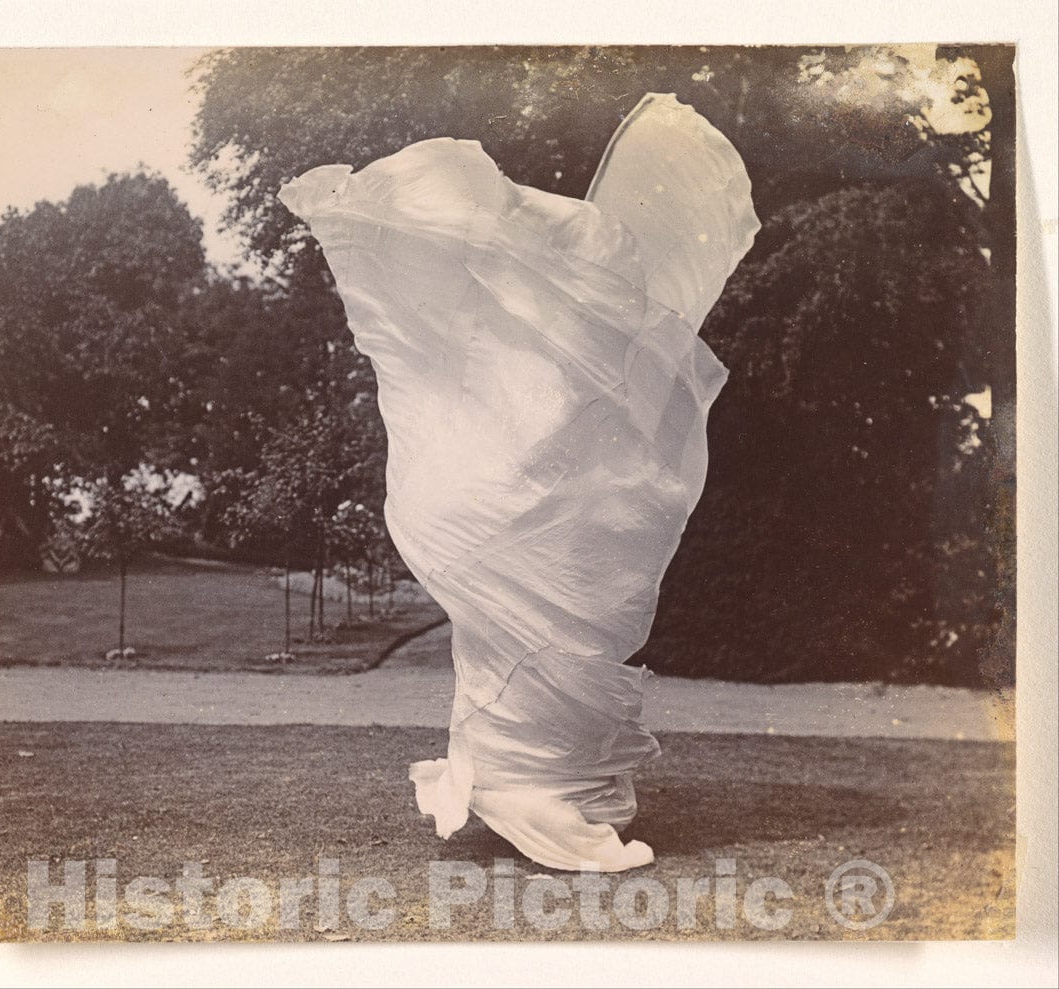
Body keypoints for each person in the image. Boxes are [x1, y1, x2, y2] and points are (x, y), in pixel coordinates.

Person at [279, 93, 759, 871]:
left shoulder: (549, 373)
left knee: (544, 627)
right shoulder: (539, 368)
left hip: (506, 498)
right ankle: (527, 786)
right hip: (494, 499)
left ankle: (525, 780)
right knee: (530, 624)